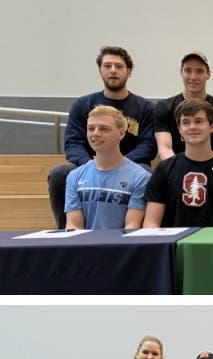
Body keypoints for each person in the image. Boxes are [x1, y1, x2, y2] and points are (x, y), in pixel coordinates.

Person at [48, 46, 155, 229]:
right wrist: (88, 164)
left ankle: (134, 232)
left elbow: (149, 143)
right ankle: (65, 232)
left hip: (131, 164)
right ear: (100, 70)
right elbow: (73, 142)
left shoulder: (144, 107)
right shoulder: (82, 105)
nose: (113, 70)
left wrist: (119, 164)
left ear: (129, 72)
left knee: (146, 173)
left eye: (119, 66)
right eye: (107, 66)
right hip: (89, 164)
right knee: (60, 173)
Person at [143, 98, 213, 228]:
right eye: (186, 122)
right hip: (173, 245)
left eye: (198, 121)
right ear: (179, 129)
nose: (192, 127)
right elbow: (151, 223)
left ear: (212, 126)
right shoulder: (165, 169)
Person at [64, 105, 150, 230]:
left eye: (104, 129)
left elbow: (131, 227)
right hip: (84, 247)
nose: (96, 133)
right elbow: (74, 226)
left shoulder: (140, 177)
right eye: (91, 129)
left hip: (120, 247)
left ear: (121, 133)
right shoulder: (74, 176)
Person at [153, 51, 213, 161]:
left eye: (199, 71)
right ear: (181, 72)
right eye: (188, 70)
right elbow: (164, 149)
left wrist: (203, 170)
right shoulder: (164, 107)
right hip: (175, 171)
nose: (193, 77)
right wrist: (179, 170)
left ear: (208, 74)